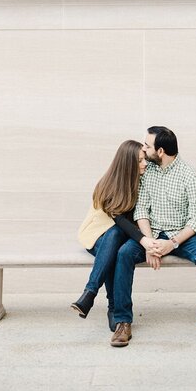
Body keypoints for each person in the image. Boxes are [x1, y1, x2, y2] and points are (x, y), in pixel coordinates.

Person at [109, 126, 196, 349]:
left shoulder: (190, 176)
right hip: (152, 233)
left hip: (182, 235)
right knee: (123, 253)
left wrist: (171, 244)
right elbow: (141, 209)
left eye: (147, 145)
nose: (143, 148)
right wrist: (150, 244)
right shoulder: (147, 171)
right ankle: (123, 321)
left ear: (160, 151)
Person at [73, 139, 164, 332]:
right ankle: (111, 306)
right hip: (96, 236)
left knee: (117, 245)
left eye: (144, 159)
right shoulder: (107, 185)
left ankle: (89, 295)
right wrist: (144, 241)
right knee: (114, 238)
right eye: (140, 161)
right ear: (128, 163)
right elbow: (120, 221)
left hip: (120, 236)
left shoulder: (142, 182)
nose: (144, 164)